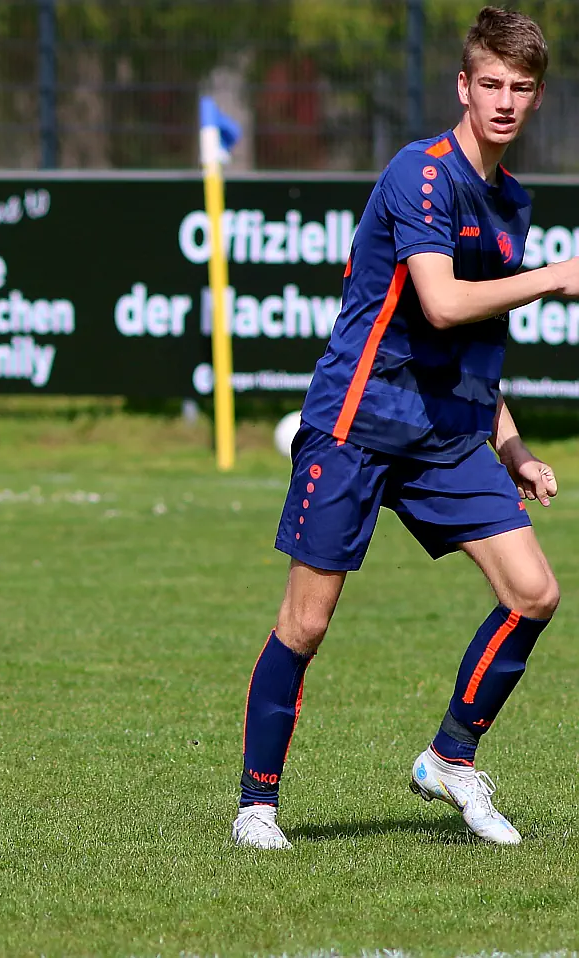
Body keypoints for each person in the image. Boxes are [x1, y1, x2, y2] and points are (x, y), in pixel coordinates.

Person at [232, 6, 579, 850]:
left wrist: (511, 446)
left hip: (446, 434)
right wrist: (553, 277)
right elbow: (443, 302)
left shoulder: (511, 202)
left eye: (520, 88)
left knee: (534, 593)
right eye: (490, 83)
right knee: (306, 625)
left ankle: (450, 759)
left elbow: (469, 344)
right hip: (359, 421)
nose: (504, 101)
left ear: (537, 98)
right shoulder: (419, 175)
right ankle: (256, 806)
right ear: (463, 86)